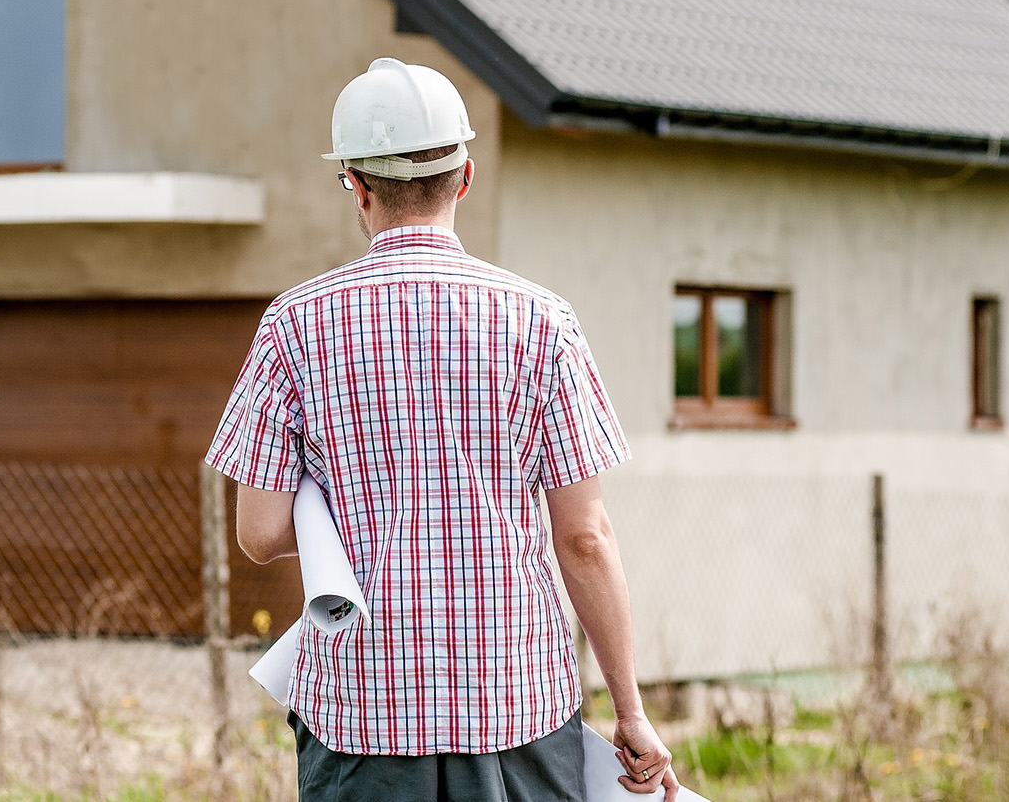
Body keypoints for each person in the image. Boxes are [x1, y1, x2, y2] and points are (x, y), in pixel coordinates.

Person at [205, 57, 680, 801]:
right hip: (518, 710)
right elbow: (584, 537)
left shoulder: (293, 325)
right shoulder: (542, 322)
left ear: (356, 187)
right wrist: (630, 711)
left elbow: (259, 534)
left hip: (363, 716)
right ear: (464, 177)